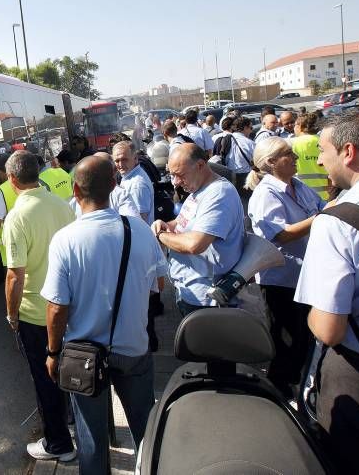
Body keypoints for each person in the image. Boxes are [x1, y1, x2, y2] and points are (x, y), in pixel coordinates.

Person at [42, 155, 166, 473]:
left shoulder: (65, 240)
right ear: (114, 186)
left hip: (83, 356)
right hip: (134, 348)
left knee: (92, 442)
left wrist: (53, 352)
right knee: (147, 431)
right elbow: (158, 285)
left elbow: (57, 306)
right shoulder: (138, 229)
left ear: (74, 190)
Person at [294, 109, 359, 473]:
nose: (318, 159)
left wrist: (313, 313)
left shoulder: (337, 222)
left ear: (348, 152)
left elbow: (330, 328)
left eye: (322, 150)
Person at [2, 150, 77, 462]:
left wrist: (12, 314)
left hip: (36, 313)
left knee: (44, 378)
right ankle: (70, 421)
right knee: (65, 369)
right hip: (68, 306)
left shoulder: (16, 218)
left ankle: (58, 444)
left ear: (12, 180)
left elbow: (14, 276)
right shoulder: (63, 206)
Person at [245, 137, 325, 398]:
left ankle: (295, 387)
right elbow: (282, 235)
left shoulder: (297, 185)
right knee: (287, 344)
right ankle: (280, 393)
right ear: (271, 162)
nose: (295, 157)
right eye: (288, 154)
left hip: (303, 276)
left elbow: (320, 206)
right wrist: (322, 218)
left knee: (302, 340)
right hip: (281, 279)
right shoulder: (266, 194)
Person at [152, 144, 245, 316]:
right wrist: (166, 225)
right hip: (194, 293)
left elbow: (195, 244)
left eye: (180, 175)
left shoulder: (218, 194)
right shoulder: (199, 189)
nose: (176, 182)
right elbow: (183, 223)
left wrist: (160, 234)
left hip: (207, 300)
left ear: (201, 165)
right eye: (172, 175)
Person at [113, 140, 163, 351]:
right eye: (116, 160)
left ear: (135, 158)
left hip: (139, 252)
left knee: (145, 309)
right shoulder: (128, 179)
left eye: (124, 159)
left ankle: (148, 346)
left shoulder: (137, 184)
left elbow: (139, 223)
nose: (120, 164)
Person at [291, 113, 330, 200]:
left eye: (294, 125)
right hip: (325, 194)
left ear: (299, 126)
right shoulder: (324, 141)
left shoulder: (292, 143)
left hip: (303, 195)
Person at [227, 116, 255, 196]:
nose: (251, 130)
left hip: (228, 176)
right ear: (245, 128)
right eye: (251, 127)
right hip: (245, 177)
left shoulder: (223, 139)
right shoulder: (250, 143)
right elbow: (257, 162)